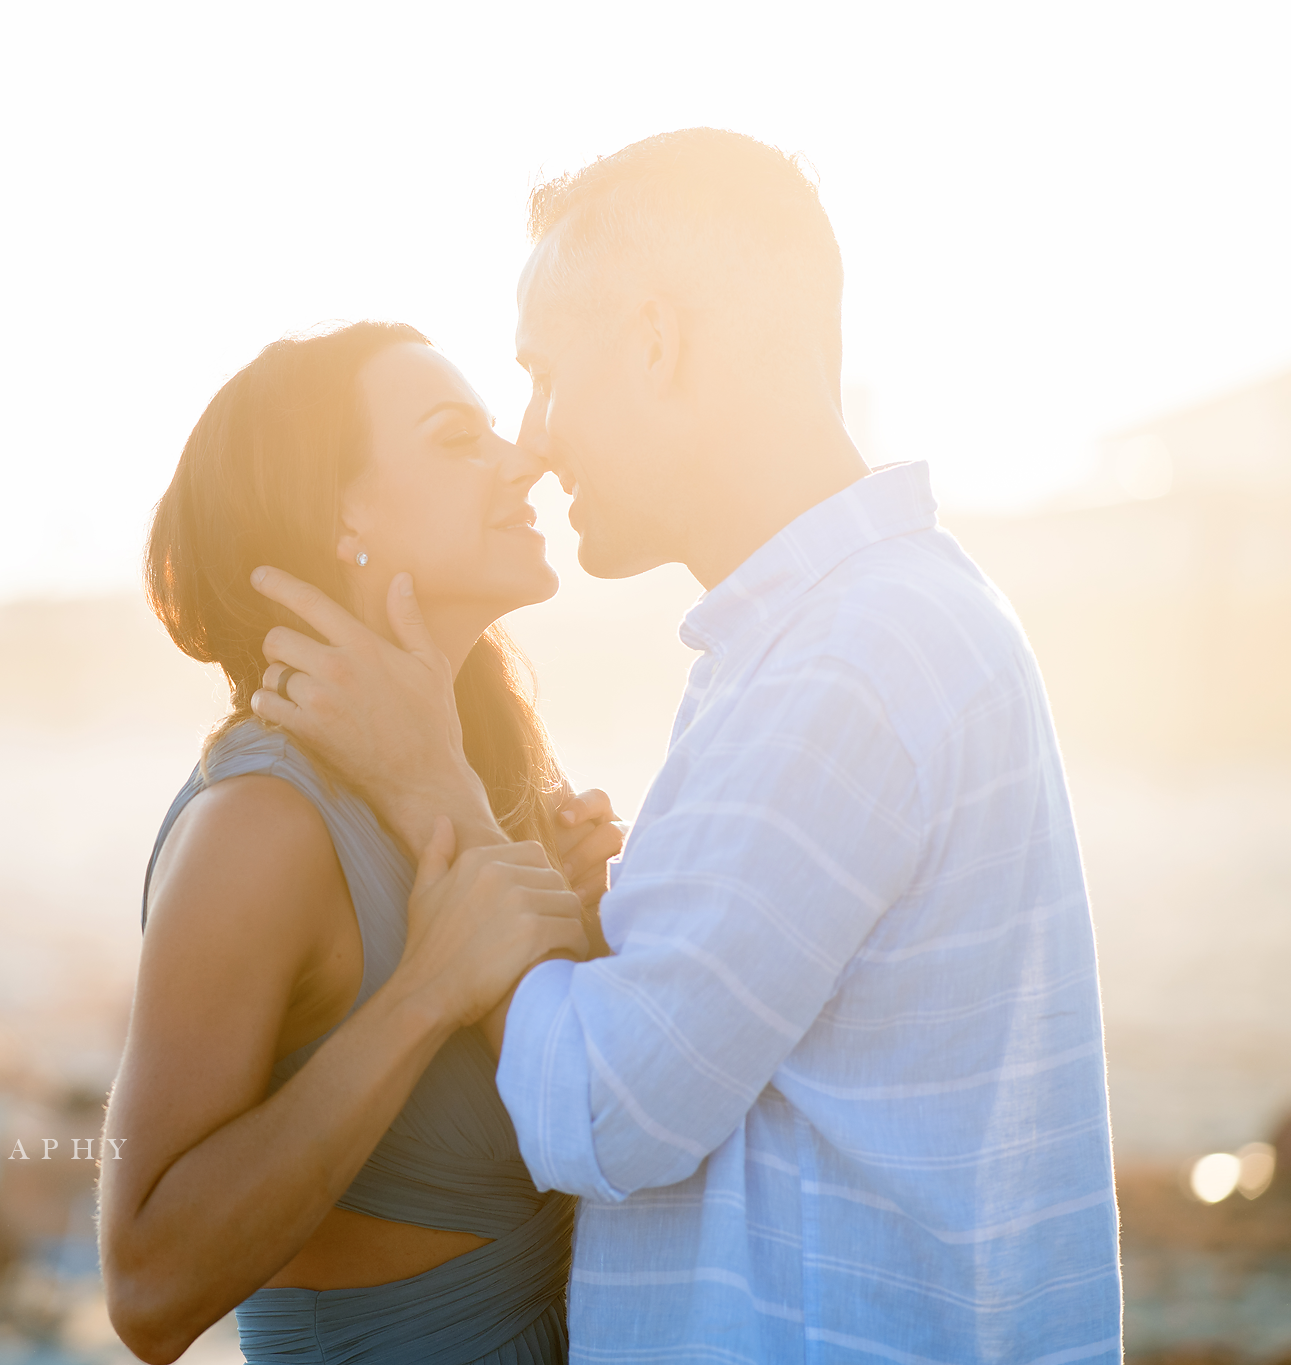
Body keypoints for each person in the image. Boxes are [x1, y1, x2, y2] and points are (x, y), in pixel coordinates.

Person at [249, 129, 1124, 1363]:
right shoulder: (825, 633)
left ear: (656, 346)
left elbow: (604, 1114)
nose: (532, 439)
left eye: (544, 376)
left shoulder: (849, 657)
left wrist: (426, 779)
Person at [97, 320, 628, 1364]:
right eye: (454, 438)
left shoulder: (492, 771)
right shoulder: (259, 828)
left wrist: (589, 941)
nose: (524, 460)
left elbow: (594, 1130)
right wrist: (422, 997)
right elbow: (146, 1291)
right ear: (340, 516)